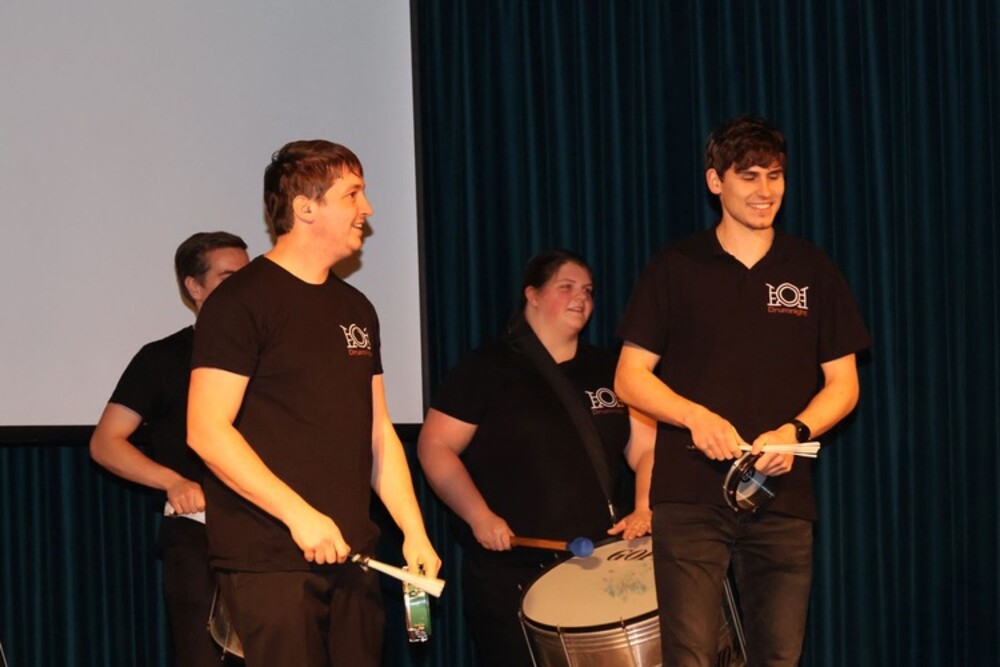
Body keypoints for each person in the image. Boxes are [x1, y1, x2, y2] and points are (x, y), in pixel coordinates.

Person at [614, 116, 871, 666]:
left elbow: (844, 384)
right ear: (716, 182)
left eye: (774, 176)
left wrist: (795, 432)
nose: (764, 190)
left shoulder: (811, 269)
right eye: (749, 176)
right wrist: (695, 417)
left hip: (782, 495)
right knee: (691, 655)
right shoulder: (675, 267)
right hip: (688, 495)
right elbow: (629, 377)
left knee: (778, 656)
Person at [186, 140, 440, 667]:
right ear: (305, 207)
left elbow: (379, 433)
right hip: (272, 558)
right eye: (352, 194)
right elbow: (207, 430)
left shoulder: (356, 307)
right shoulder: (240, 302)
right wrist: (298, 516)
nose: (367, 209)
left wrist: (414, 531)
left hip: (354, 557)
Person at [418, 249, 656, 667]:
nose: (581, 298)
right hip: (513, 574)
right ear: (532, 295)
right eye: (566, 287)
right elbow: (435, 446)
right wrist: (479, 516)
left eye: (588, 290)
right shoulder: (487, 367)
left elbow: (648, 449)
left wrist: (643, 507)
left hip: (599, 568)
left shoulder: (611, 370)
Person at [90, 231, 250, 666]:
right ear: (193, 287)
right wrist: (173, 481)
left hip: (271, 537)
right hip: (198, 538)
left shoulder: (275, 357)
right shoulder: (163, 358)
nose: (243, 288)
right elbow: (106, 442)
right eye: (228, 278)